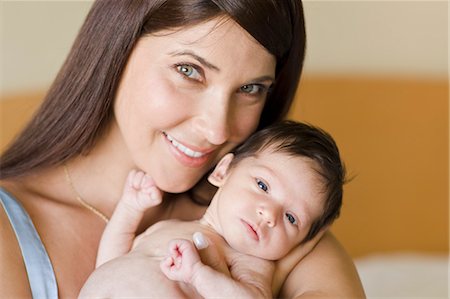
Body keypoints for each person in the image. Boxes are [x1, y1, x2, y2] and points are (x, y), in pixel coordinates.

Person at [0, 0, 365, 298]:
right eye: (189, 70)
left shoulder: (268, 229)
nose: (217, 128)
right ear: (117, 47)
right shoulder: (8, 235)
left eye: (251, 88)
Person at [79, 120, 347, 298]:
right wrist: (129, 209)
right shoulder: (169, 228)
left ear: (303, 242)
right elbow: (109, 263)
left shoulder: (250, 264)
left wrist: (199, 275)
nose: (269, 214)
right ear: (223, 171)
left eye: (291, 218)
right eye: (263, 186)